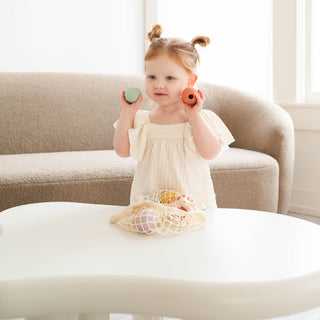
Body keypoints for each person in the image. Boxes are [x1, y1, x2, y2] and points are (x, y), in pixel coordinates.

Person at [113, 24, 234, 211]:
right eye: (151, 76)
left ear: (191, 81)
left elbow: (210, 152)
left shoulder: (198, 119)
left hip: (191, 204)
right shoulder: (144, 121)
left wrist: (194, 117)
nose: (159, 84)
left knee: (190, 238)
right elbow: (122, 150)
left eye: (169, 78)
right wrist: (127, 112)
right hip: (151, 205)